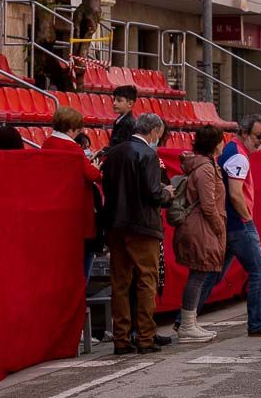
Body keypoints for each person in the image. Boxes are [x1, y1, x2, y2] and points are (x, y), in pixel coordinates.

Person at [190, 114, 261, 339]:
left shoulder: (232, 150)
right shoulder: (239, 156)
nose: (260, 140)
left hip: (226, 223)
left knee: (212, 275)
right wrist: (247, 220)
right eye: (257, 136)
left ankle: (185, 319)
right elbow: (235, 194)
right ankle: (257, 323)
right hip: (238, 225)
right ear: (244, 133)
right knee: (260, 271)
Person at [102, 112, 174, 354]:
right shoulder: (149, 155)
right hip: (143, 226)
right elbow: (153, 193)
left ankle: (121, 338)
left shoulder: (113, 153)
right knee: (146, 281)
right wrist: (168, 193)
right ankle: (145, 336)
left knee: (120, 283)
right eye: (159, 135)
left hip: (115, 224)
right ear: (153, 131)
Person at [173, 125, 226, 343]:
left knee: (200, 274)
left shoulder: (206, 166)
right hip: (201, 227)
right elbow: (208, 204)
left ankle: (190, 321)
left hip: (200, 225)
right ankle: (186, 325)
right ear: (215, 144)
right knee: (199, 274)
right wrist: (219, 227)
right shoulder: (205, 169)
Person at [42, 105, 103, 280]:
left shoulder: (47, 143)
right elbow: (92, 175)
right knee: (83, 260)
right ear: (70, 129)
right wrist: (96, 167)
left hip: (55, 206)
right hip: (76, 209)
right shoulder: (73, 148)